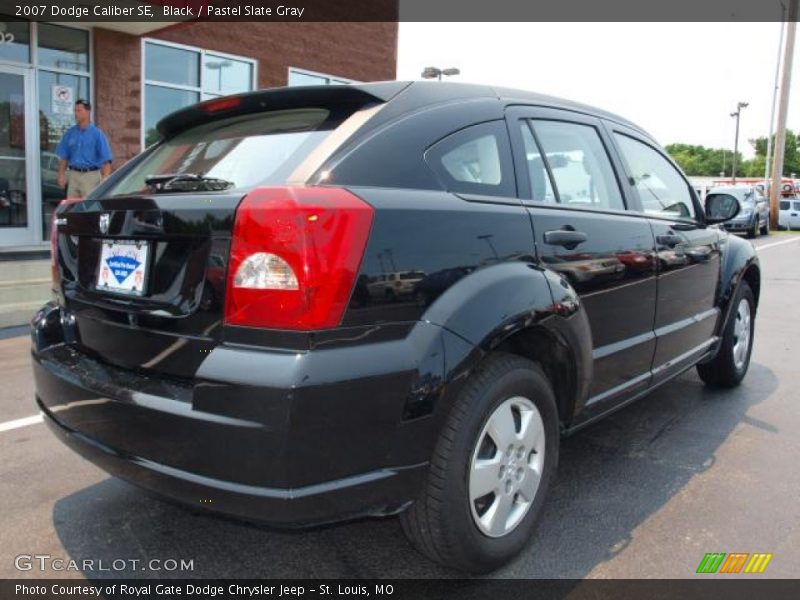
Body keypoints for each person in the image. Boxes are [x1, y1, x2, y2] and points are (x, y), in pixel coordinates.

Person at [55, 99, 113, 198]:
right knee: (72, 208)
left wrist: (105, 177)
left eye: (79, 111)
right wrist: (61, 174)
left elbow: (106, 159)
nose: (76, 114)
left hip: (91, 176)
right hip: (73, 176)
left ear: (88, 112)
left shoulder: (97, 134)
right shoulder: (70, 133)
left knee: (88, 209)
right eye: (75, 110)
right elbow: (64, 156)